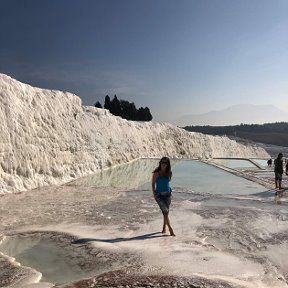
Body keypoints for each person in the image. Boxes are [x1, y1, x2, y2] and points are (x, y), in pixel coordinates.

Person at [152, 157, 175, 236]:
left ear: (167, 164)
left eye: (165, 163)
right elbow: (153, 184)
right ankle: (170, 228)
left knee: (165, 213)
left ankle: (164, 228)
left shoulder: (169, 173)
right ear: (160, 163)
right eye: (162, 162)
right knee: (165, 211)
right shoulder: (156, 173)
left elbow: (168, 182)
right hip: (159, 196)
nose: (164, 164)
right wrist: (154, 194)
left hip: (168, 195)